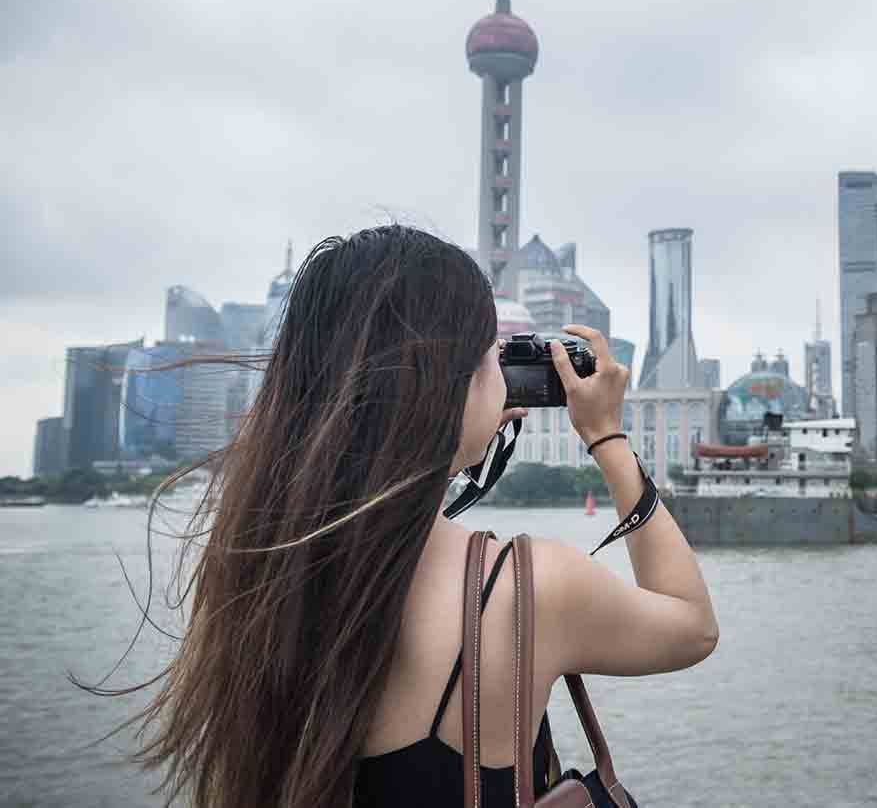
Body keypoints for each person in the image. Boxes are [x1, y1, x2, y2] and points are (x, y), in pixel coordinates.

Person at [119, 226, 719, 808]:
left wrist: (460, 449)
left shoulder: (254, 566)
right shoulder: (522, 590)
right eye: (491, 359)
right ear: (446, 387)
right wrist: (606, 437)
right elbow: (693, 627)